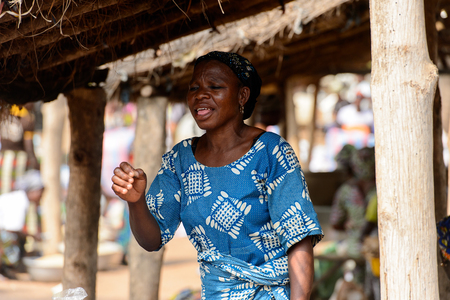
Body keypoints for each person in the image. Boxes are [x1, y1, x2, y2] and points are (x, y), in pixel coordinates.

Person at [112, 51, 323, 299]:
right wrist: (136, 202)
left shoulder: (270, 152)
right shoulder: (181, 160)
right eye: (194, 87)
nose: (200, 94)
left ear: (242, 95)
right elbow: (152, 240)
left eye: (215, 86)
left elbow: (299, 239)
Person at [0, 169, 44, 278]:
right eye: (40, 193)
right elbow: (11, 229)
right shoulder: (20, 201)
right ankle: (6, 268)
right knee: (10, 238)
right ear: (33, 191)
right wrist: (32, 235)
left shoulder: (20, 198)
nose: (41, 197)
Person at [0, 103, 40, 195]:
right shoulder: (27, 118)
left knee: (4, 193)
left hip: (3, 158)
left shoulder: (4, 114)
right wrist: (35, 164)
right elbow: (29, 147)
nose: (33, 106)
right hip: (19, 160)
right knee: (17, 193)